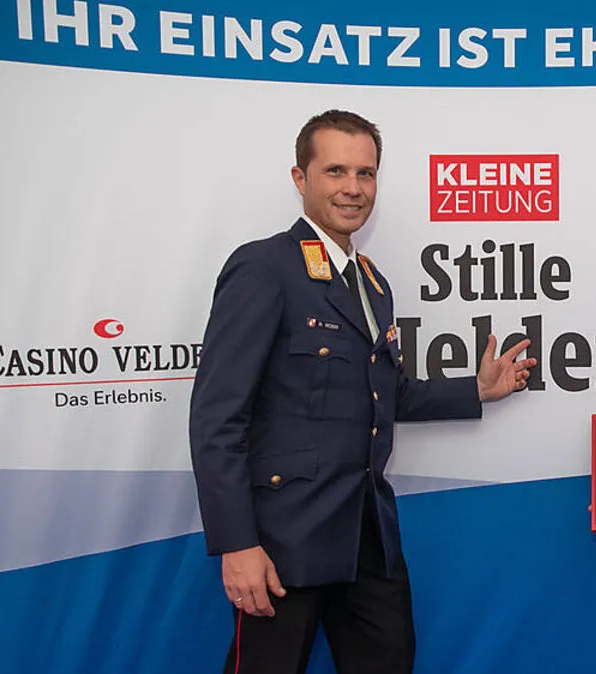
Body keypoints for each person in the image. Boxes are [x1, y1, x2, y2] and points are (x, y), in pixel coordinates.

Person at [189, 109, 536, 674]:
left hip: (367, 538)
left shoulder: (373, 285)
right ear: (300, 178)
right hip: (282, 543)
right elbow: (216, 417)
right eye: (335, 171)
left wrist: (474, 390)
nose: (353, 188)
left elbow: (381, 395)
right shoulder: (264, 267)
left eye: (365, 173)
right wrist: (237, 544)